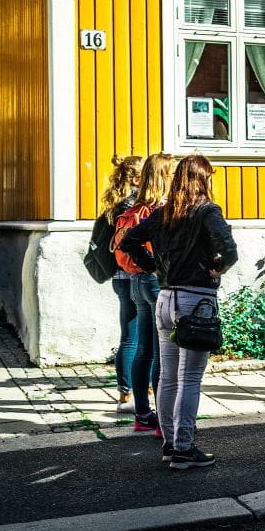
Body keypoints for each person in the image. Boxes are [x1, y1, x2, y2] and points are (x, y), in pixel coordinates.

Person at [119, 154, 238, 469]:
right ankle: (184, 448)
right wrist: (218, 267)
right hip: (196, 300)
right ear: (203, 179)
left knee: (169, 376)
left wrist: (154, 267)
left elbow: (128, 242)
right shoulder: (207, 211)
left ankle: (171, 445)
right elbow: (229, 248)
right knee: (189, 378)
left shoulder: (163, 213)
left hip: (166, 299)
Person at [119, 153, 178, 434]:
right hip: (155, 283)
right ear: (164, 177)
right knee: (162, 352)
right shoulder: (160, 210)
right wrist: (155, 267)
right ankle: (163, 419)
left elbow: (126, 245)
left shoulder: (136, 206)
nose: (176, 178)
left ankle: (142, 414)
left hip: (137, 282)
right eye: (172, 174)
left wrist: (144, 268)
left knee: (144, 350)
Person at [97, 155, 144, 412]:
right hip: (136, 273)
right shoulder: (136, 205)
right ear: (137, 178)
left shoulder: (113, 204)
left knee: (128, 336)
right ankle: (140, 389)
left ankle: (125, 393)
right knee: (141, 338)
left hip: (118, 276)